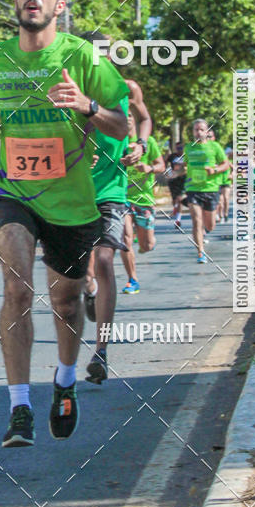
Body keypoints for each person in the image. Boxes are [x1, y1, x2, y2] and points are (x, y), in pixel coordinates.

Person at [0, 0, 129, 447]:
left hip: (72, 200)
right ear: (17, 1)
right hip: (15, 191)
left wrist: (86, 105)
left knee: (64, 299)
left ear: (59, 5)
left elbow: (120, 125)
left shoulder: (84, 57)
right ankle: (19, 407)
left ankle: (64, 380)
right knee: (16, 289)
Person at [76, 31, 152, 386]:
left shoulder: (127, 87)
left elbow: (145, 119)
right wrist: (75, 149)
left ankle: (101, 352)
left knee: (105, 260)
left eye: (106, 53)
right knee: (82, 272)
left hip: (112, 189)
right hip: (73, 192)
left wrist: (140, 145)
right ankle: (89, 292)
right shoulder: (70, 88)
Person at [120, 117, 165, 294]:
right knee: (125, 238)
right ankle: (132, 279)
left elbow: (161, 165)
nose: (127, 118)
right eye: (124, 114)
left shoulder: (148, 142)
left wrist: (149, 168)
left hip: (144, 199)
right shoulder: (116, 140)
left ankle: (146, 241)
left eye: (130, 115)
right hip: (122, 197)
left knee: (146, 245)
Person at [183, 119, 229, 263]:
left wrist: (214, 170)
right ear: (193, 132)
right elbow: (184, 165)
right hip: (193, 188)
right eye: (196, 130)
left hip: (211, 189)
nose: (199, 132)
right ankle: (200, 252)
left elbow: (225, 164)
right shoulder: (188, 148)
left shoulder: (214, 147)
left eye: (201, 129)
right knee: (196, 220)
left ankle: (206, 230)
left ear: (207, 132)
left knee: (210, 225)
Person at [165, 141, 185, 229]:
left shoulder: (186, 156)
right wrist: (167, 172)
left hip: (183, 179)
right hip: (173, 180)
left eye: (180, 148)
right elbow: (164, 163)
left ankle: (178, 220)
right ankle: (175, 208)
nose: (179, 150)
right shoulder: (172, 156)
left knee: (179, 199)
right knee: (174, 200)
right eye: (177, 148)